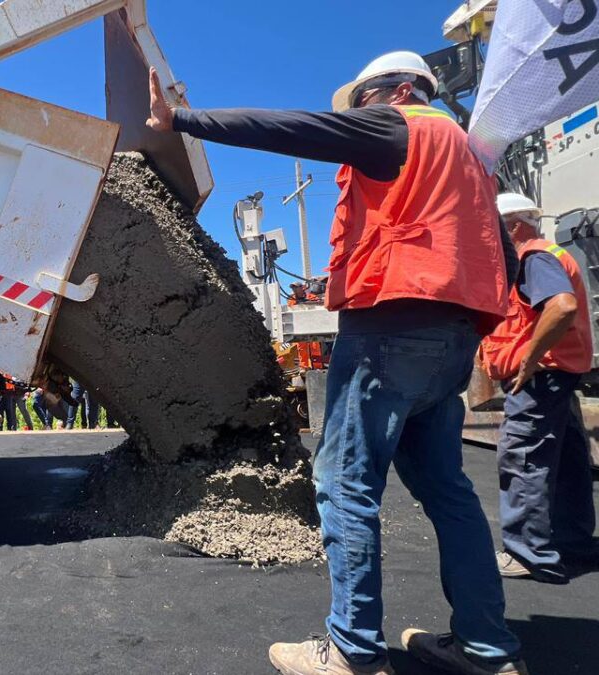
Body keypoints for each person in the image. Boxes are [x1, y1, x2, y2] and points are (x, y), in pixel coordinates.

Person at [147, 51, 526, 675]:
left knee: (345, 484)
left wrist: (181, 119)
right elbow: (505, 263)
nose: (358, 115)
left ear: (400, 90)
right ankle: (486, 649)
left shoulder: (403, 124)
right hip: (453, 339)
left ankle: (352, 650)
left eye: (363, 101)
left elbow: (290, 128)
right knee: (449, 492)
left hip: (390, 330)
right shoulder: (471, 163)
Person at [480, 193, 597, 585]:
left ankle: (527, 554)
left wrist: (528, 359)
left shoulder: (533, 257)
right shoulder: (547, 255)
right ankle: (573, 543)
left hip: (540, 377)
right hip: (557, 374)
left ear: (513, 226)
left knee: (524, 458)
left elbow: (561, 307)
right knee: (567, 460)